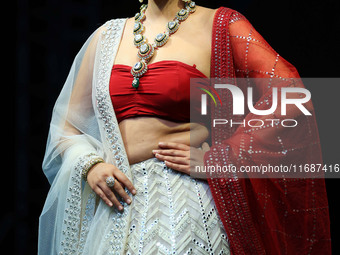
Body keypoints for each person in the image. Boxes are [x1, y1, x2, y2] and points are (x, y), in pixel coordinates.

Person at [38, 0, 331, 254]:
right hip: (115, 204)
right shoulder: (107, 36)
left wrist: (223, 157)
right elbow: (67, 127)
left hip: (186, 201)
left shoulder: (219, 24)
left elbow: (290, 94)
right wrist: (91, 166)